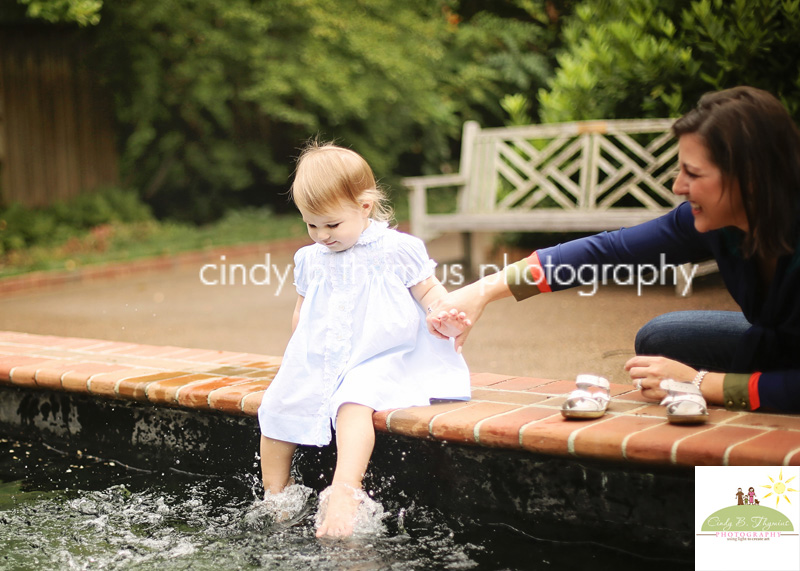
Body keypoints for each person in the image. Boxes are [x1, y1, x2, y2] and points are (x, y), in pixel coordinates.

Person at [428, 86, 800, 414]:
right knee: (661, 340)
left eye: (693, 173)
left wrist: (703, 383)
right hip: (783, 343)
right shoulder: (717, 222)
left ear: (750, 179)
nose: (678, 186)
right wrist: (483, 291)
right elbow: (606, 253)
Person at [257, 141, 471, 538]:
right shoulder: (309, 258)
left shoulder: (397, 249)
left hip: (378, 355)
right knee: (276, 406)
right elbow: (302, 311)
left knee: (352, 406)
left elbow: (430, 293)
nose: (322, 235)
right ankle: (277, 497)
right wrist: (299, 359)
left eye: (332, 224)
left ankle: (344, 493)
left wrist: (446, 312)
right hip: (322, 357)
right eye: (311, 224)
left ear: (365, 206)